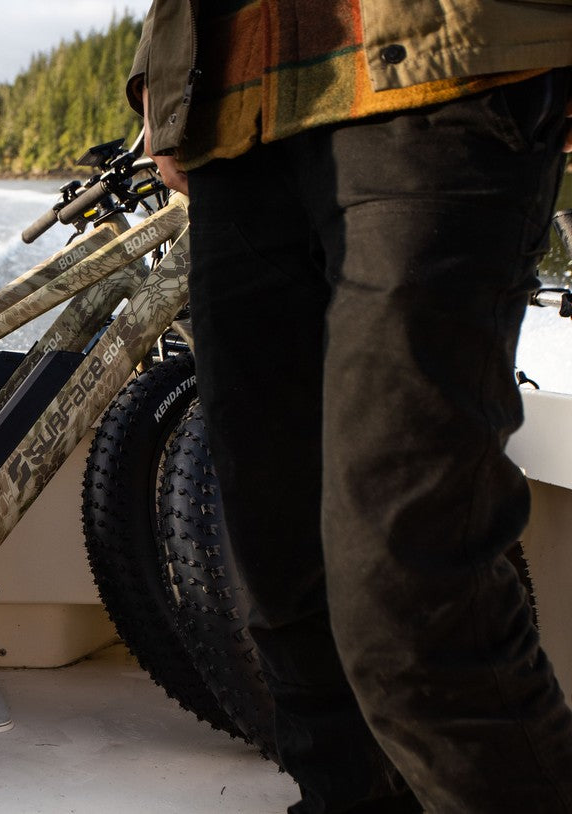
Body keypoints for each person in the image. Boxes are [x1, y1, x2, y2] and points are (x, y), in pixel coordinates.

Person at [130, 2, 572, 812]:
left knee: (407, 588)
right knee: (283, 572)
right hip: (234, 112)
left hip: (441, 74)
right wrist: (160, 82)